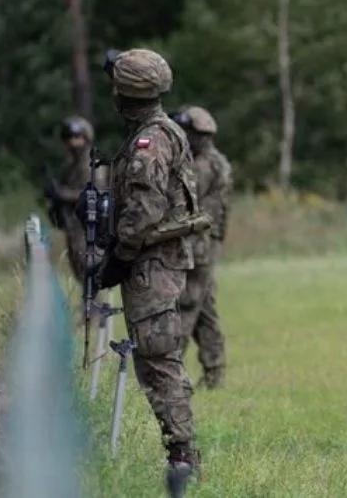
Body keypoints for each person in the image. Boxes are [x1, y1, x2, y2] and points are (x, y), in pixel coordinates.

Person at [96, 48, 204, 484]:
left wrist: (119, 258)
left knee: (159, 359)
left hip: (152, 264)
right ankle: (180, 453)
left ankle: (183, 459)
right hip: (154, 262)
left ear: (124, 95)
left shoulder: (151, 141)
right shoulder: (157, 131)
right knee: (153, 358)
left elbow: (144, 209)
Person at [173, 105, 231, 389]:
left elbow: (183, 205)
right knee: (204, 310)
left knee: (186, 306)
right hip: (207, 244)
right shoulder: (218, 161)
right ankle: (214, 372)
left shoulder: (201, 167)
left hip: (196, 247)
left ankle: (171, 374)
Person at [43, 116, 98, 280]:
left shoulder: (92, 164)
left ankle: (95, 305)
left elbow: (93, 193)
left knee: (89, 273)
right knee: (80, 272)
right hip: (73, 226)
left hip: (89, 227)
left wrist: (62, 194)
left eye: (76, 137)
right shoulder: (70, 166)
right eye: (68, 138)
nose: (72, 142)